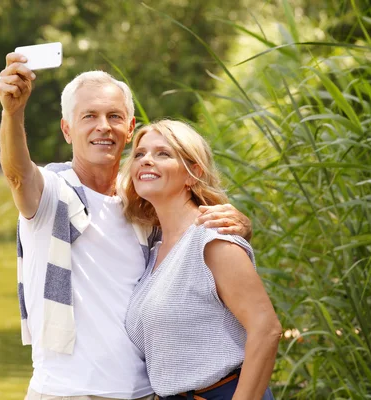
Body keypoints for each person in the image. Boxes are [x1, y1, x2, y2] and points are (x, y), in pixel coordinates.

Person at [0, 52, 253, 400]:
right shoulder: (51, 195)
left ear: (129, 130)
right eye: (89, 116)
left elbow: (200, 245)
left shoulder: (146, 204)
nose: (103, 125)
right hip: (66, 392)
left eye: (114, 116)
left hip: (148, 393)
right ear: (67, 129)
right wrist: (12, 113)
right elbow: (16, 174)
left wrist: (239, 226)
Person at [120, 120, 282, 400]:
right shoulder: (155, 247)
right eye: (139, 154)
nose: (147, 160)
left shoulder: (213, 239)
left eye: (163, 154)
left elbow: (266, 330)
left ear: (193, 174)